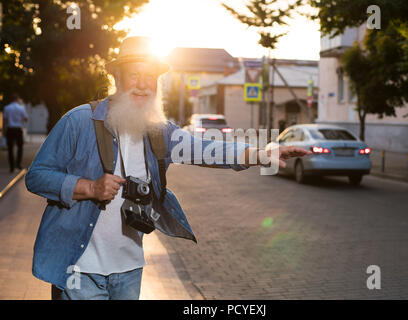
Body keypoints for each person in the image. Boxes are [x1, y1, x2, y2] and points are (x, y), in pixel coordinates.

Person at [25, 36, 311, 300]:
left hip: (129, 269)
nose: (142, 83)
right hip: (80, 270)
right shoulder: (79, 121)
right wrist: (89, 187)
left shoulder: (159, 132)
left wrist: (264, 153)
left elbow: (208, 149)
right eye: (134, 74)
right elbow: (37, 176)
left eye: (149, 76)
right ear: (117, 78)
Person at [3, 93, 28, 173]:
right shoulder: (21, 108)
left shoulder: (6, 108)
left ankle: (12, 167)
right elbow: (26, 119)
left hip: (10, 129)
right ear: (17, 99)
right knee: (20, 147)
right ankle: (18, 164)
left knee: (10, 148)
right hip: (18, 129)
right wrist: (20, 119)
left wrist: (4, 131)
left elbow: (5, 121)